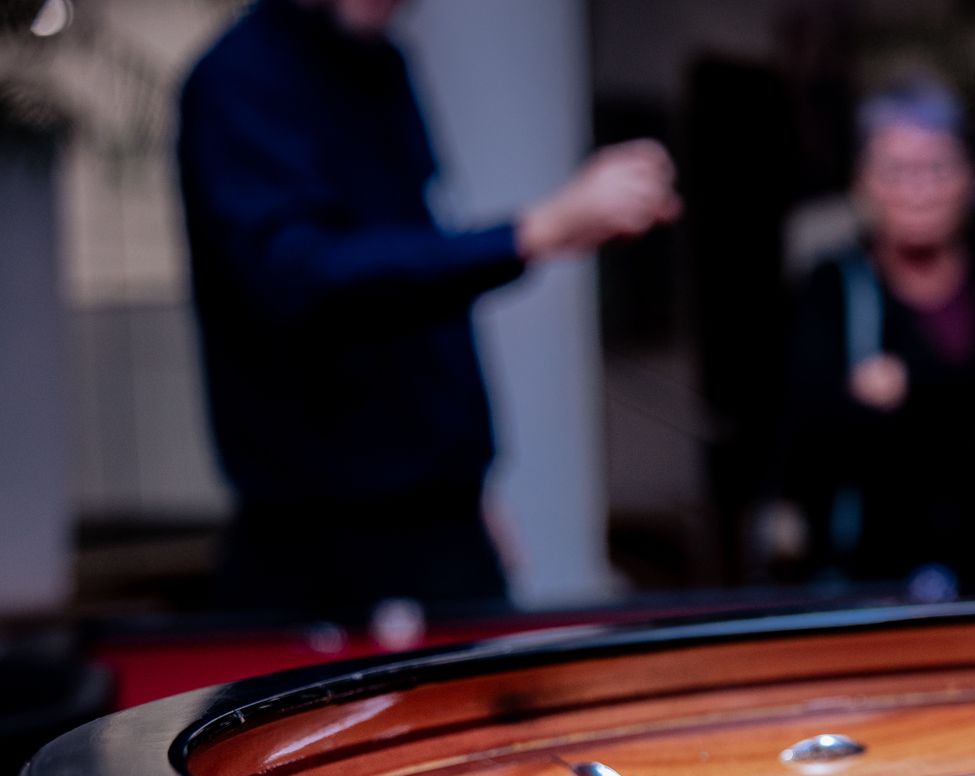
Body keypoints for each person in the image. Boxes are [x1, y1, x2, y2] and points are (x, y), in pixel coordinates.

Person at [177, 0, 679, 615]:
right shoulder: (240, 81)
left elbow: (420, 279)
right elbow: (308, 279)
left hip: (439, 515)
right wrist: (535, 230)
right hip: (318, 535)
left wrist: (465, 485)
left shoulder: (381, 63)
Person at [770, 77, 975, 597]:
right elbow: (798, 442)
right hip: (870, 581)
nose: (918, 189)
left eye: (937, 168)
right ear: (863, 185)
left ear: (969, 178)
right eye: (896, 171)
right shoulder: (832, 289)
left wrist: (910, 389)